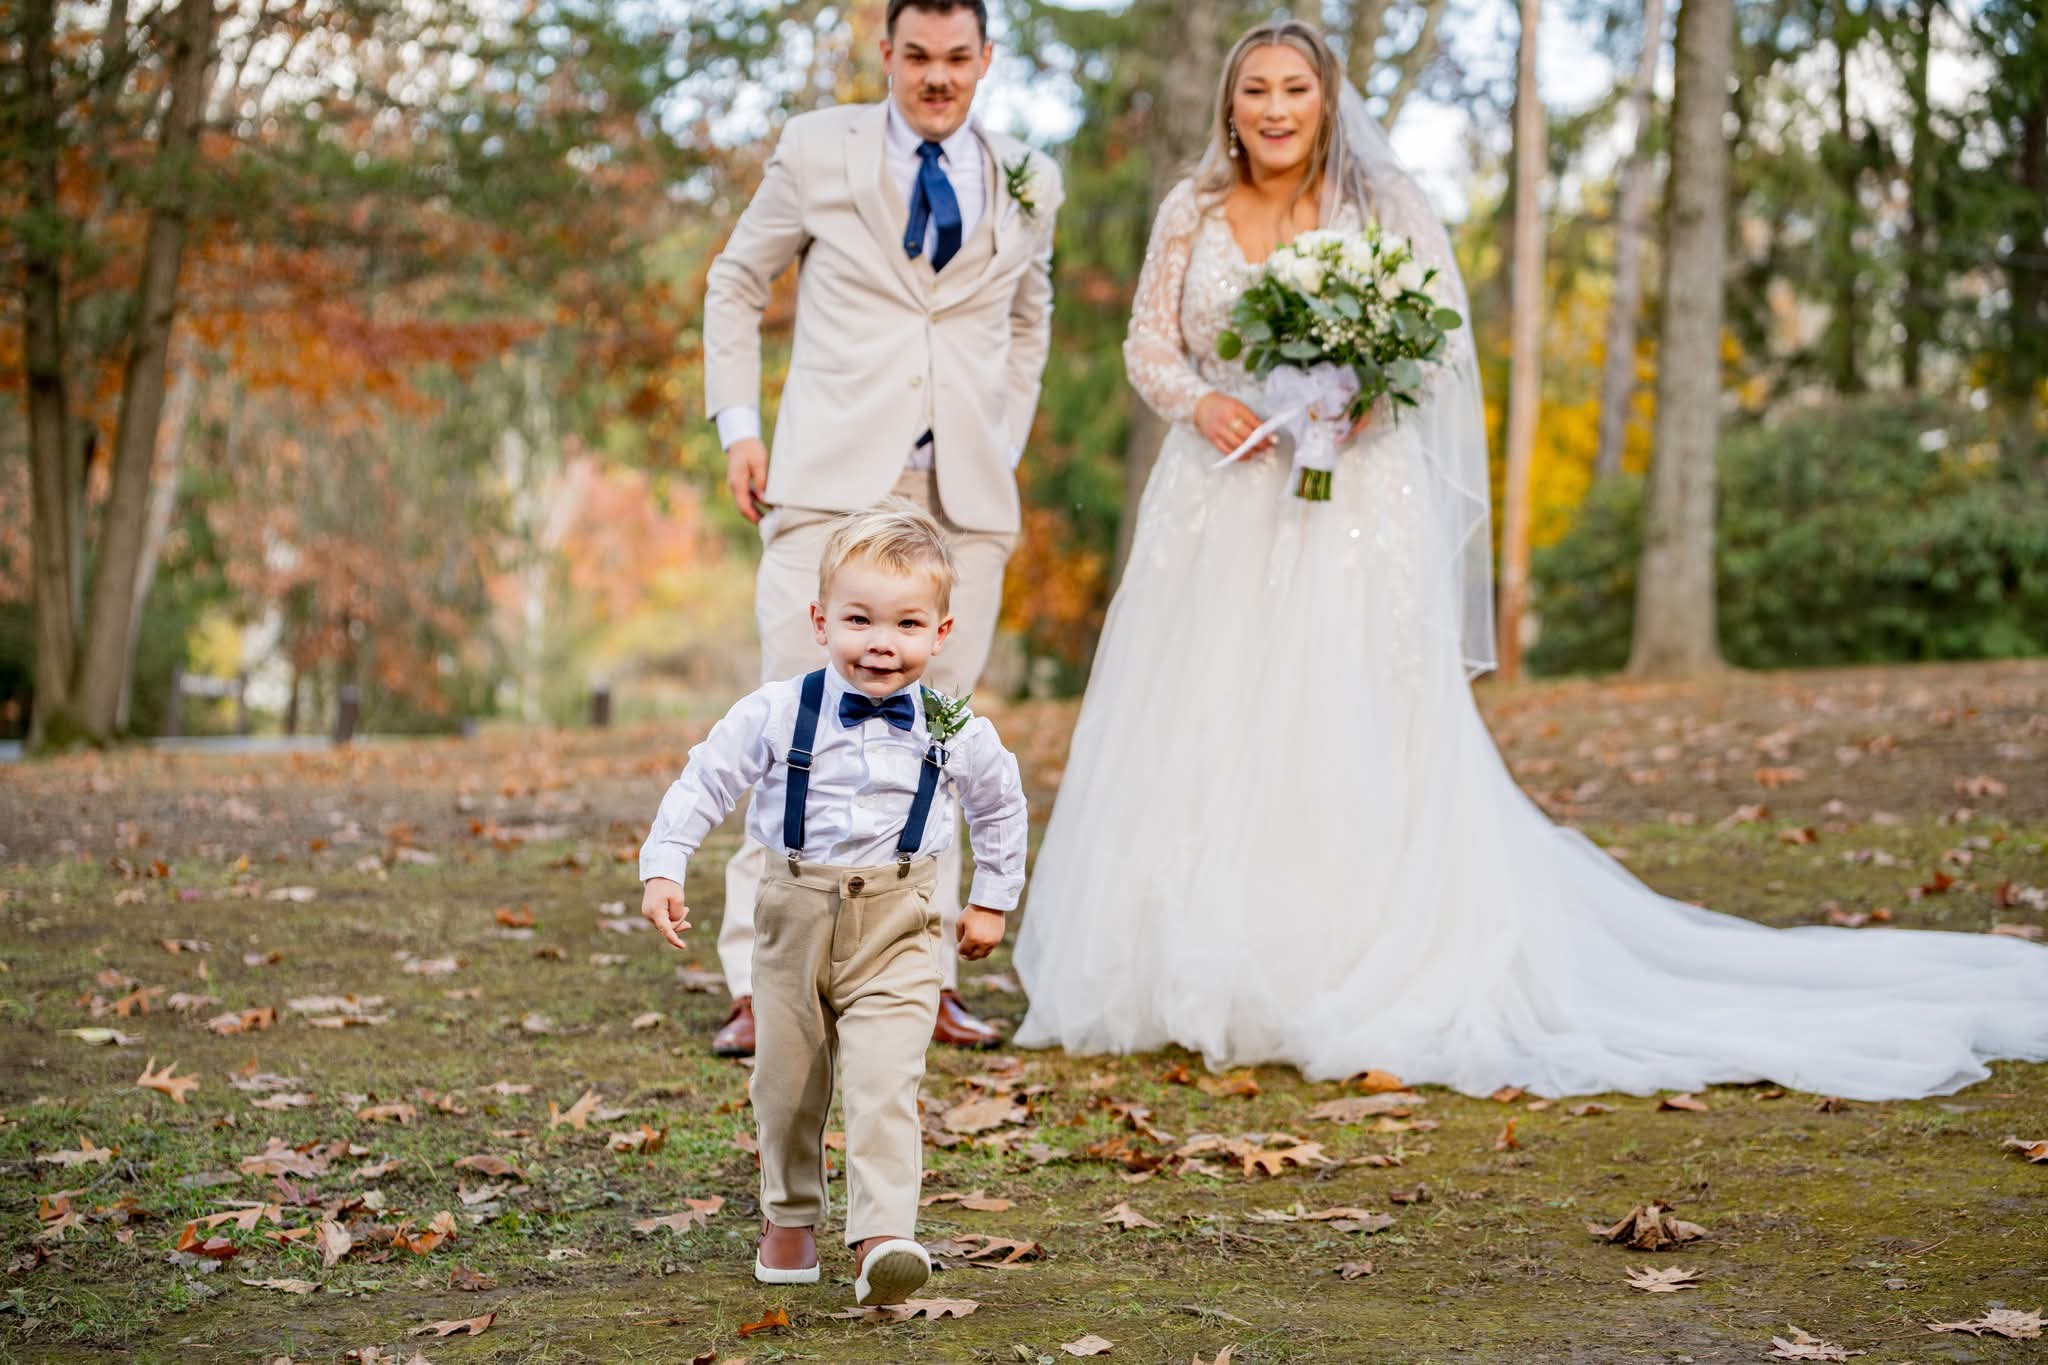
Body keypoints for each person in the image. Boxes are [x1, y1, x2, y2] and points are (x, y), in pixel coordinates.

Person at [1011, 19, 2048, 1101]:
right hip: (1220, 498)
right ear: (1229, 104)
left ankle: (1335, 958)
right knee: (1214, 708)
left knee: (1344, 711)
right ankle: (1195, 962)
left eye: (1295, 89)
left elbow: (1436, 345)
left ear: (1325, 100)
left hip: (1351, 501)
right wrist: (1201, 402)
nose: (1275, 109)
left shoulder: (1383, 204)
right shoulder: (1190, 210)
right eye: (1256, 90)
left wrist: (1365, 396)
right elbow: (1146, 342)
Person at [697, 0, 1060, 1056]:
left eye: (957, 58)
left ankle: (923, 977)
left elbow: (1028, 317)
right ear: (888, 55)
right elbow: (736, 280)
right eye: (917, 57)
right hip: (827, 483)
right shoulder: (819, 150)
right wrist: (739, 428)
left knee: (939, 741)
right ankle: (761, 985)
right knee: (794, 728)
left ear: (985, 59)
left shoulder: (1030, 176)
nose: (937, 77)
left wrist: (1001, 434)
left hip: (964, 499)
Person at [640, 502, 1028, 1303]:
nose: (881, 642)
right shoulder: (778, 710)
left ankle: (883, 1237)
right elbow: (705, 779)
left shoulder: (952, 725)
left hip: (901, 924)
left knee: (885, 1080)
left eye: (906, 623)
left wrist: (991, 898)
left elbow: (999, 804)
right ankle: (789, 1217)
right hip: (793, 918)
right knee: (786, 1084)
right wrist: (665, 865)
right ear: (820, 622)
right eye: (859, 619)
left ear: (940, 634)